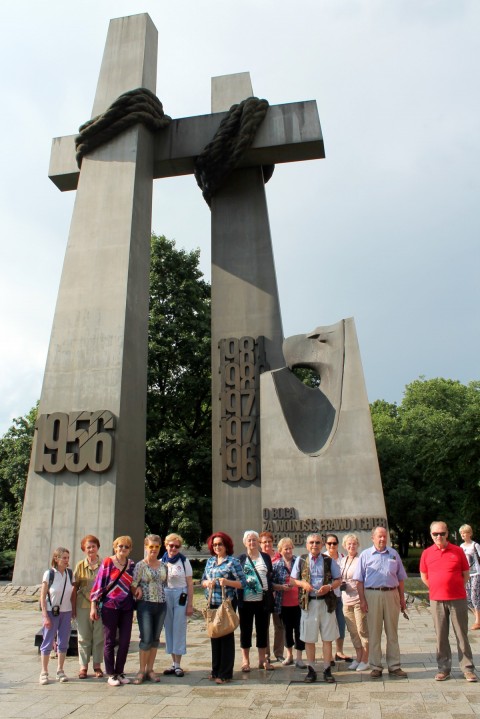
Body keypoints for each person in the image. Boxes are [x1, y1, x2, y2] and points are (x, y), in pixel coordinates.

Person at [420, 521, 478, 682]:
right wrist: (437, 587)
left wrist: (455, 587)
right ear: (431, 535)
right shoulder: (427, 553)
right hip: (437, 599)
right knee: (441, 635)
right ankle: (443, 668)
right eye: (435, 534)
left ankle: (467, 668)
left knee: (461, 634)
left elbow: (466, 574)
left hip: (457, 598)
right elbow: (424, 576)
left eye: (442, 533)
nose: (439, 536)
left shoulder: (458, 551)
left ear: (447, 533)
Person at [354, 526, 407, 679]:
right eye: (379, 536)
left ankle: (394, 666)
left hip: (391, 594)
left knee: (392, 632)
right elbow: (359, 581)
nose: (382, 539)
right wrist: (362, 600)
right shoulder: (365, 555)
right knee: (374, 632)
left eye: (384, 536)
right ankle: (376, 666)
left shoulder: (393, 554)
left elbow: (401, 578)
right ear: (373, 538)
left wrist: (401, 598)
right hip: (372, 595)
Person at [291, 533, 341, 683]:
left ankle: (327, 669)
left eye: (317, 542)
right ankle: (311, 669)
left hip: (326, 603)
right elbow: (292, 580)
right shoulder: (301, 560)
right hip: (309, 603)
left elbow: (338, 580)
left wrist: (329, 587)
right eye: (311, 542)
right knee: (309, 638)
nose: (314, 545)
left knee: (327, 638)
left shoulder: (328, 560)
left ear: (322, 544)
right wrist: (302, 584)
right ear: (307, 545)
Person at [201, 531, 247, 683]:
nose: (217, 547)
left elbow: (243, 583)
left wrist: (227, 582)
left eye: (220, 544)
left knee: (226, 636)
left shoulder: (233, 562)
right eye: (214, 545)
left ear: (226, 545)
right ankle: (215, 671)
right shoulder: (210, 562)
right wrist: (206, 583)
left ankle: (225, 673)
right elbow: (202, 580)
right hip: (212, 603)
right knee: (214, 635)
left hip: (226, 603)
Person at [90, 535, 135, 686]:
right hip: (110, 606)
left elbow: (133, 584)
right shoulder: (108, 562)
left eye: (126, 546)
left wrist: (138, 589)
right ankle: (111, 673)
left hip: (127, 607)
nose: (123, 549)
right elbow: (98, 585)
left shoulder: (131, 564)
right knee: (109, 641)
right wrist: (93, 606)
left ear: (130, 549)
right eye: (120, 546)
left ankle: (120, 671)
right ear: (115, 547)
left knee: (125, 641)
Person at [131, 534, 167, 684]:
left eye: (156, 546)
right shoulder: (141, 565)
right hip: (145, 604)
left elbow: (165, 583)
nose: (154, 549)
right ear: (146, 547)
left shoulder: (163, 565)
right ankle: (141, 670)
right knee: (146, 638)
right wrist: (137, 589)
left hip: (161, 604)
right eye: (151, 546)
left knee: (155, 638)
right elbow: (133, 584)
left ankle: (150, 669)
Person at [237, 530, 275, 672]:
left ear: (258, 542)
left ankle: (262, 660)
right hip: (245, 601)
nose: (252, 542)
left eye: (254, 540)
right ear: (245, 543)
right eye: (249, 540)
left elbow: (269, 575)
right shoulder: (240, 559)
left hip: (262, 601)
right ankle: (245, 661)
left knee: (262, 630)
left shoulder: (265, 557)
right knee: (245, 631)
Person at [39, 547, 75, 685]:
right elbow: (42, 596)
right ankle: (44, 672)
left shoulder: (69, 573)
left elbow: (72, 593)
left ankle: (60, 670)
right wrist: (45, 615)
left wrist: (73, 611)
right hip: (51, 611)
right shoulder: (49, 574)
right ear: (56, 558)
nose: (66, 560)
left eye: (67, 558)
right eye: (64, 558)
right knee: (47, 641)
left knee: (63, 641)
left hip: (66, 611)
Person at [161, 532, 194, 677]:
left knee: (179, 627)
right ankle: (173, 663)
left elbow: (190, 583)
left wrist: (190, 604)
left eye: (176, 546)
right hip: (166, 593)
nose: (173, 548)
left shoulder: (184, 561)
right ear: (166, 545)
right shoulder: (161, 561)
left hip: (181, 594)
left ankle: (178, 664)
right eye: (171, 545)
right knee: (168, 627)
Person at [73, 535, 104, 679]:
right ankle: (83, 666)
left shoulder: (104, 564)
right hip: (83, 605)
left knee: (99, 636)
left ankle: (97, 665)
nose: (91, 549)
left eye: (93, 546)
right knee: (83, 636)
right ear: (84, 549)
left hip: (100, 605)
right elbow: (74, 587)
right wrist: (73, 607)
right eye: (88, 547)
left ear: (97, 547)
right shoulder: (80, 565)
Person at [272, 537, 305, 667]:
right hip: (283, 604)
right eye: (286, 549)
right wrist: (281, 587)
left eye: (290, 548)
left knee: (299, 630)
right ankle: (289, 655)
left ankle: (299, 657)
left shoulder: (300, 562)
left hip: (298, 603)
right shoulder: (276, 565)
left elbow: (306, 580)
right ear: (280, 550)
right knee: (287, 631)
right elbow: (271, 584)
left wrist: (296, 584)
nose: (289, 551)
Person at [339, 534, 369, 671]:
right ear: (345, 546)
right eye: (349, 544)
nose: (351, 546)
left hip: (358, 600)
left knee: (362, 630)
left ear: (358, 545)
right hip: (346, 600)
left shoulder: (361, 560)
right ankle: (358, 657)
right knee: (353, 632)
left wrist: (363, 600)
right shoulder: (342, 560)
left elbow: (364, 580)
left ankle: (366, 659)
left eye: (354, 544)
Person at [324, 533, 352, 664]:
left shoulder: (343, 558)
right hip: (327, 597)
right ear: (325, 545)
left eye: (334, 543)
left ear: (338, 544)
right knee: (328, 625)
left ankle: (339, 652)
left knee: (341, 624)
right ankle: (328, 654)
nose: (332, 546)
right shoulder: (322, 558)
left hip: (341, 595)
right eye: (329, 543)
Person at [259, 531, 285, 662]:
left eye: (269, 541)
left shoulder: (280, 557)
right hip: (264, 597)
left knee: (279, 625)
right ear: (260, 544)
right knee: (264, 626)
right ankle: (266, 654)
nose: (267, 544)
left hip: (279, 597)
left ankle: (279, 653)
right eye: (264, 542)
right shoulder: (258, 558)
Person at [459, 524, 480, 630]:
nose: (463, 535)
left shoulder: (475, 545)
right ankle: (477, 616)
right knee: (467, 598)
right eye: (461, 533)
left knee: (474, 597)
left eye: (465, 532)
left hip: (476, 573)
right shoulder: (461, 547)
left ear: (470, 533)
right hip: (466, 574)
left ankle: (478, 621)